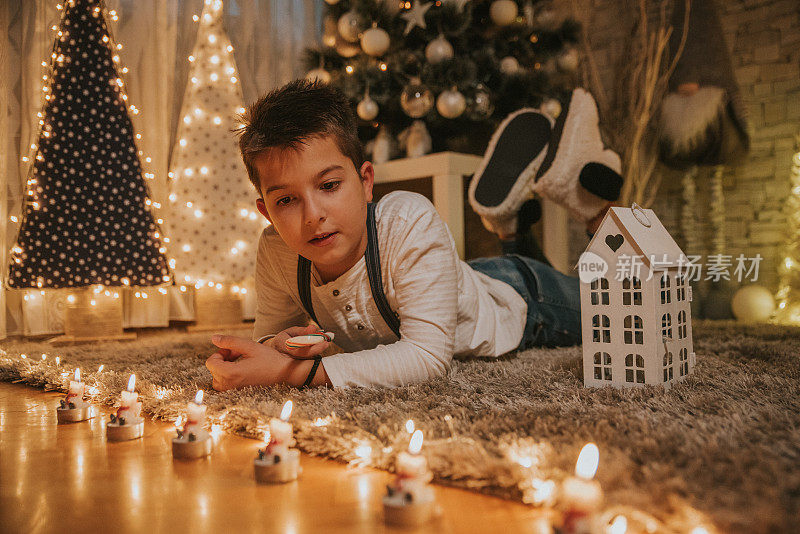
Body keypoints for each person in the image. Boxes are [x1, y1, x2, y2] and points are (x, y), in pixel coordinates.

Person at [205, 79, 582, 391]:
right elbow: (267, 339)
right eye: (286, 200)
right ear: (266, 213)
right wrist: (276, 346)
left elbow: (427, 357)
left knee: (618, 308)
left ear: (366, 182)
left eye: (330, 185)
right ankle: (512, 231)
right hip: (439, 280)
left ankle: (517, 233)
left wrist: (293, 372)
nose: (313, 215)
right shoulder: (276, 250)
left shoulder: (408, 220)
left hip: (523, 298)